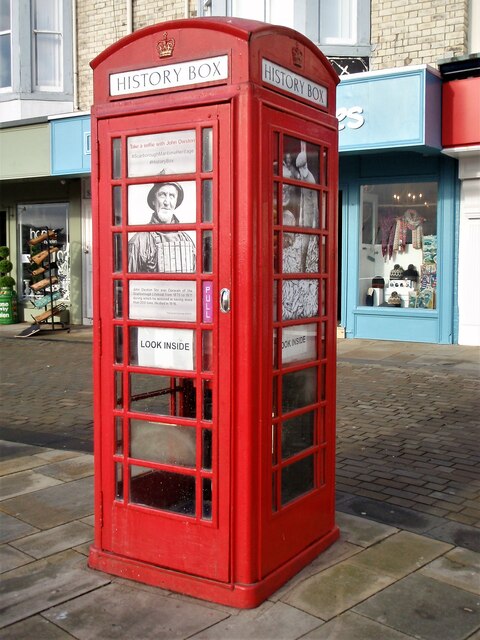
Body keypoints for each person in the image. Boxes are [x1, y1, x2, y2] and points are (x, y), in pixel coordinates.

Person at [128, 182, 196, 273]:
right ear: (153, 200)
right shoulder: (138, 242)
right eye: (162, 195)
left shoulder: (187, 240)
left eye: (171, 196)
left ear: (176, 202)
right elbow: (129, 285)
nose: (167, 202)